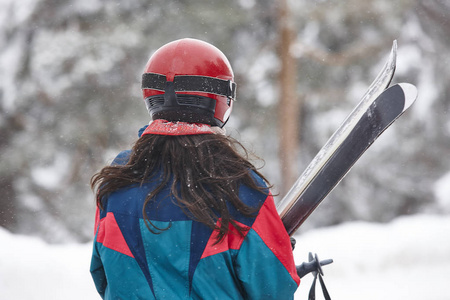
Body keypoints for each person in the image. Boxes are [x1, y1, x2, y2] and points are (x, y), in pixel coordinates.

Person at [90, 38, 300, 299]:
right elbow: (274, 290)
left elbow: (102, 274)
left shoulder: (118, 178)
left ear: (150, 94)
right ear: (222, 99)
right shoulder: (241, 187)